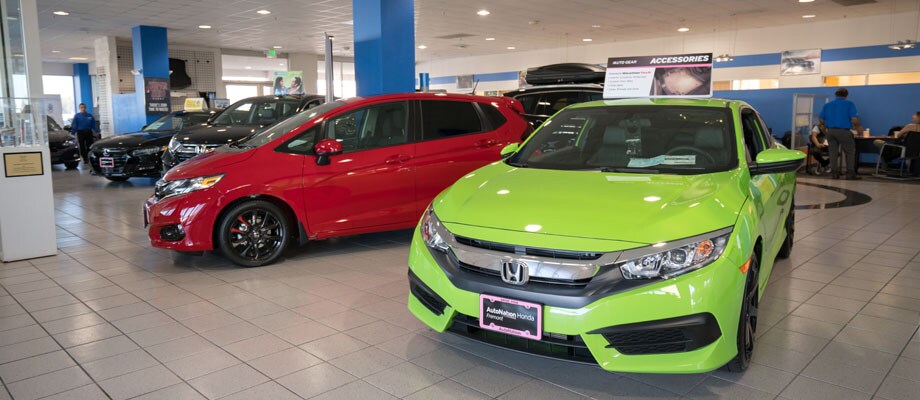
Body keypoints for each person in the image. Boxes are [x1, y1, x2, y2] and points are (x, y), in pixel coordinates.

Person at [819, 88, 863, 180]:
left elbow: (821, 120)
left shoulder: (827, 105)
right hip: (843, 131)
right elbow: (854, 119)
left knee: (833, 153)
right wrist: (859, 128)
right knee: (850, 152)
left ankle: (834, 173)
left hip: (830, 131)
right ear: (846, 95)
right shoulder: (849, 104)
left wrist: (824, 127)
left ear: (835, 95)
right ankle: (850, 174)